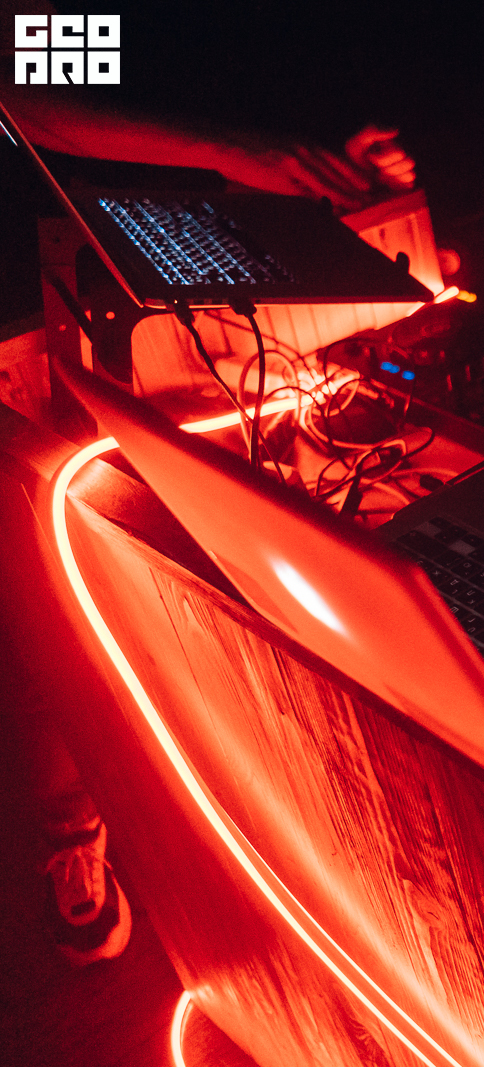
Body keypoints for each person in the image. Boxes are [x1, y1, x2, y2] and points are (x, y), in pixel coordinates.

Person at [0, 0, 417, 965]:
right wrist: (241, 152)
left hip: (173, 257)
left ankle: (246, 827)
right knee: (53, 587)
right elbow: (31, 93)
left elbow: (158, 69)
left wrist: (321, 160)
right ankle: (77, 828)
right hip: (33, 299)